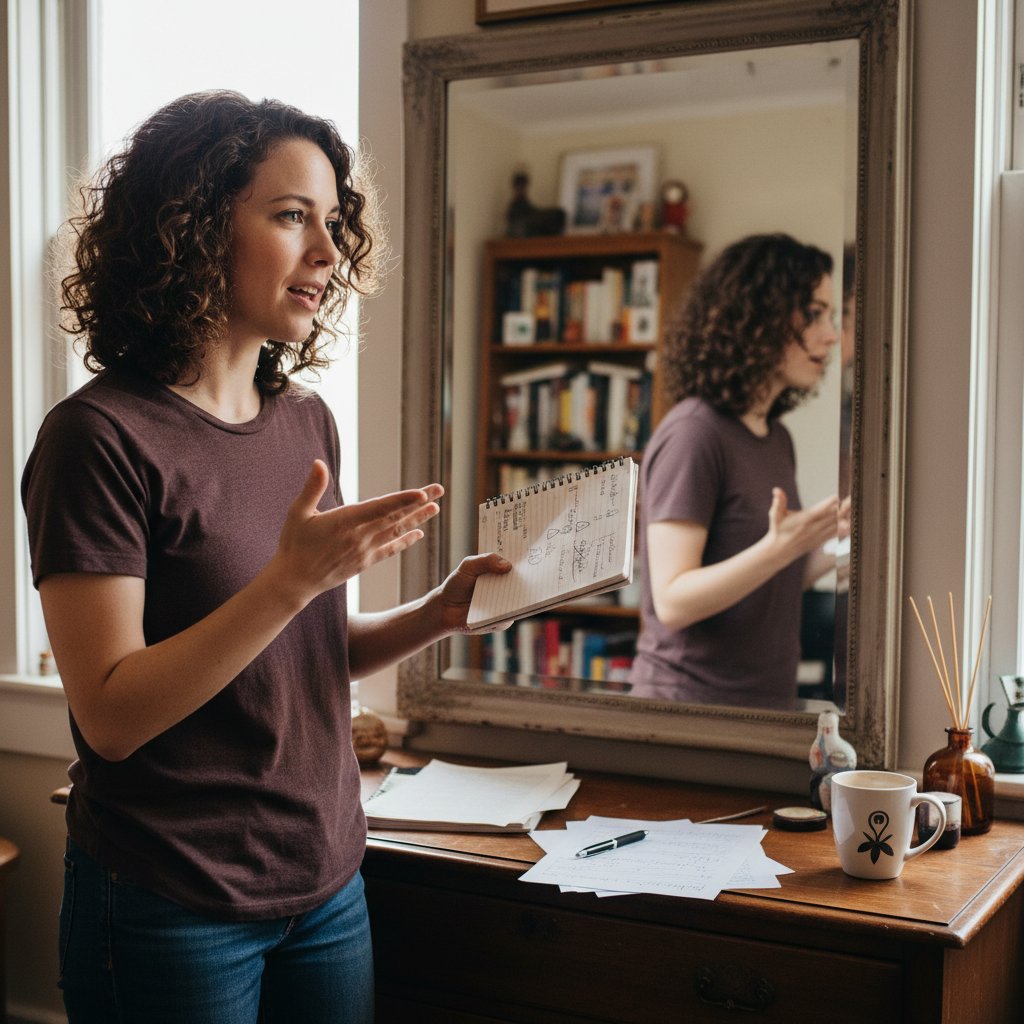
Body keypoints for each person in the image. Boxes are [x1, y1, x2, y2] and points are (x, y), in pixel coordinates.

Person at [20, 90, 509, 1024]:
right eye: (293, 217)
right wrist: (292, 581)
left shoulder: (305, 421)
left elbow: (301, 653)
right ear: (194, 229)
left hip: (326, 885)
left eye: (333, 223)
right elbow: (113, 716)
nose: (329, 253)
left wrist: (435, 615)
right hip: (171, 901)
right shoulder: (99, 437)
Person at [627, 233, 846, 710]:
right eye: (814, 313)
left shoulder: (775, 438)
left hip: (763, 706)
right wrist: (781, 545)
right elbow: (672, 600)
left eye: (830, 315)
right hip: (687, 711)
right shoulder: (693, 434)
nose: (831, 333)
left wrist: (838, 540)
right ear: (760, 318)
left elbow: (776, 576)